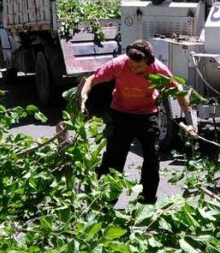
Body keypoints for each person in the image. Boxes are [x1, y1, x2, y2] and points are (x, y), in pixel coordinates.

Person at [80, 39, 194, 204]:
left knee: (152, 159)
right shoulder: (119, 64)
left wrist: (190, 121)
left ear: (149, 63)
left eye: (138, 67)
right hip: (120, 114)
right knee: (114, 158)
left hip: (147, 115)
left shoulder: (158, 69)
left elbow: (178, 90)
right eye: (131, 65)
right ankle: (104, 201)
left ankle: (146, 203)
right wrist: (84, 95)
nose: (133, 69)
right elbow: (92, 79)